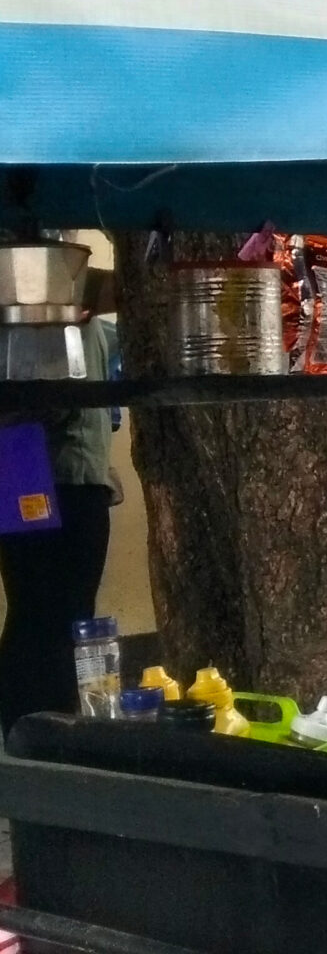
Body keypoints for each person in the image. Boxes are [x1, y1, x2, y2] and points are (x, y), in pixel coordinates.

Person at [0, 277, 117, 733]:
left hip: (56, 477)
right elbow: (53, 404)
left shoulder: (89, 330)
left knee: (48, 612)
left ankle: (33, 726)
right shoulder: (44, 327)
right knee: (52, 614)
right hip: (53, 479)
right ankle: (37, 727)